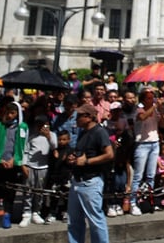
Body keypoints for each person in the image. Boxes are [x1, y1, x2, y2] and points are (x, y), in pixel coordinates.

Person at [67, 103, 113, 243]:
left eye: (79, 116)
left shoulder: (100, 132)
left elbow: (109, 154)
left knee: (95, 221)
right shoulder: (83, 133)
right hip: (77, 181)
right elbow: (82, 154)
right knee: (74, 221)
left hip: (90, 182)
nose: (76, 119)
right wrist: (74, 158)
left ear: (88, 117)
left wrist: (87, 162)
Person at [0, 101, 27, 230]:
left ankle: (7, 214)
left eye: (12, 113)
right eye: (7, 113)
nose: (9, 116)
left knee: (10, 191)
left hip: (13, 164)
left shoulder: (22, 127)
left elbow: (22, 146)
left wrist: (15, 160)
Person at [129, 89, 164, 215]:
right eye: (149, 98)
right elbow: (142, 117)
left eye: (153, 97)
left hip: (154, 143)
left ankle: (149, 200)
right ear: (143, 100)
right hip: (142, 144)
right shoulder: (138, 109)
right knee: (138, 176)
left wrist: (162, 108)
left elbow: (163, 123)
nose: (152, 100)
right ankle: (133, 202)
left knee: (151, 175)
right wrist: (155, 106)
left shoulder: (155, 110)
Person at [20, 115, 56, 227]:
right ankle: (26, 213)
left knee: (39, 191)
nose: (41, 127)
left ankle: (36, 211)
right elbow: (26, 151)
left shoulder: (52, 135)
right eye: (38, 125)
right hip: (30, 166)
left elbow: (54, 146)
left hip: (43, 167)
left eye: (43, 124)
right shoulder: (31, 136)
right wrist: (24, 165)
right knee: (28, 190)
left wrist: (48, 136)